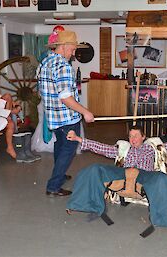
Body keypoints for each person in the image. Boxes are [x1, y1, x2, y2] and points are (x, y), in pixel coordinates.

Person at [65, 125, 167, 232]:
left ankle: (162, 219)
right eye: (130, 136)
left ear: (143, 136)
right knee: (94, 169)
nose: (132, 139)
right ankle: (83, 204)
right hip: (124, 173)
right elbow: (101, 147)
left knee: (162, 179)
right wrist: (78, 139)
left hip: (144, 175)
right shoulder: (124, 149)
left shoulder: (151, 148)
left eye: (136, 136)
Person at [37, 29, 94, 197]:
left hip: (53, 118)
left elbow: (42, 91)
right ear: (62, 46)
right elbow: (65, 97)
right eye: (72, 48)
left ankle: (59, 176)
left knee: (60, 146)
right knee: (68, 149)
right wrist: (86, 112)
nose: (74, 52)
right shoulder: (63, 66)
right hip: (67, 118)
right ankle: (54, 186)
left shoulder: (45, 62)